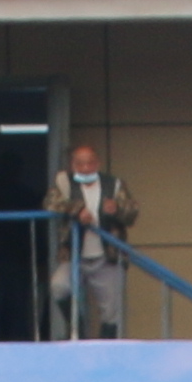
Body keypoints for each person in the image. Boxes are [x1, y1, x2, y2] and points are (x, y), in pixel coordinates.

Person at [46, 139, 140, 341]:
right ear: (73, 165)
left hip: (107, 255)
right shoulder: (64, 182)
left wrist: (117, 209)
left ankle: (106, 348)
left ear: (97, 164)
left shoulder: (113, 184)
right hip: (74, 254)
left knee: (110, 311)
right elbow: (50, 203)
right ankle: (76, 327)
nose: (85, 168)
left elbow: (132, 213)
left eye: (90, 163)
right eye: (80, 163)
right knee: (59, 286)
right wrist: (77, 210)